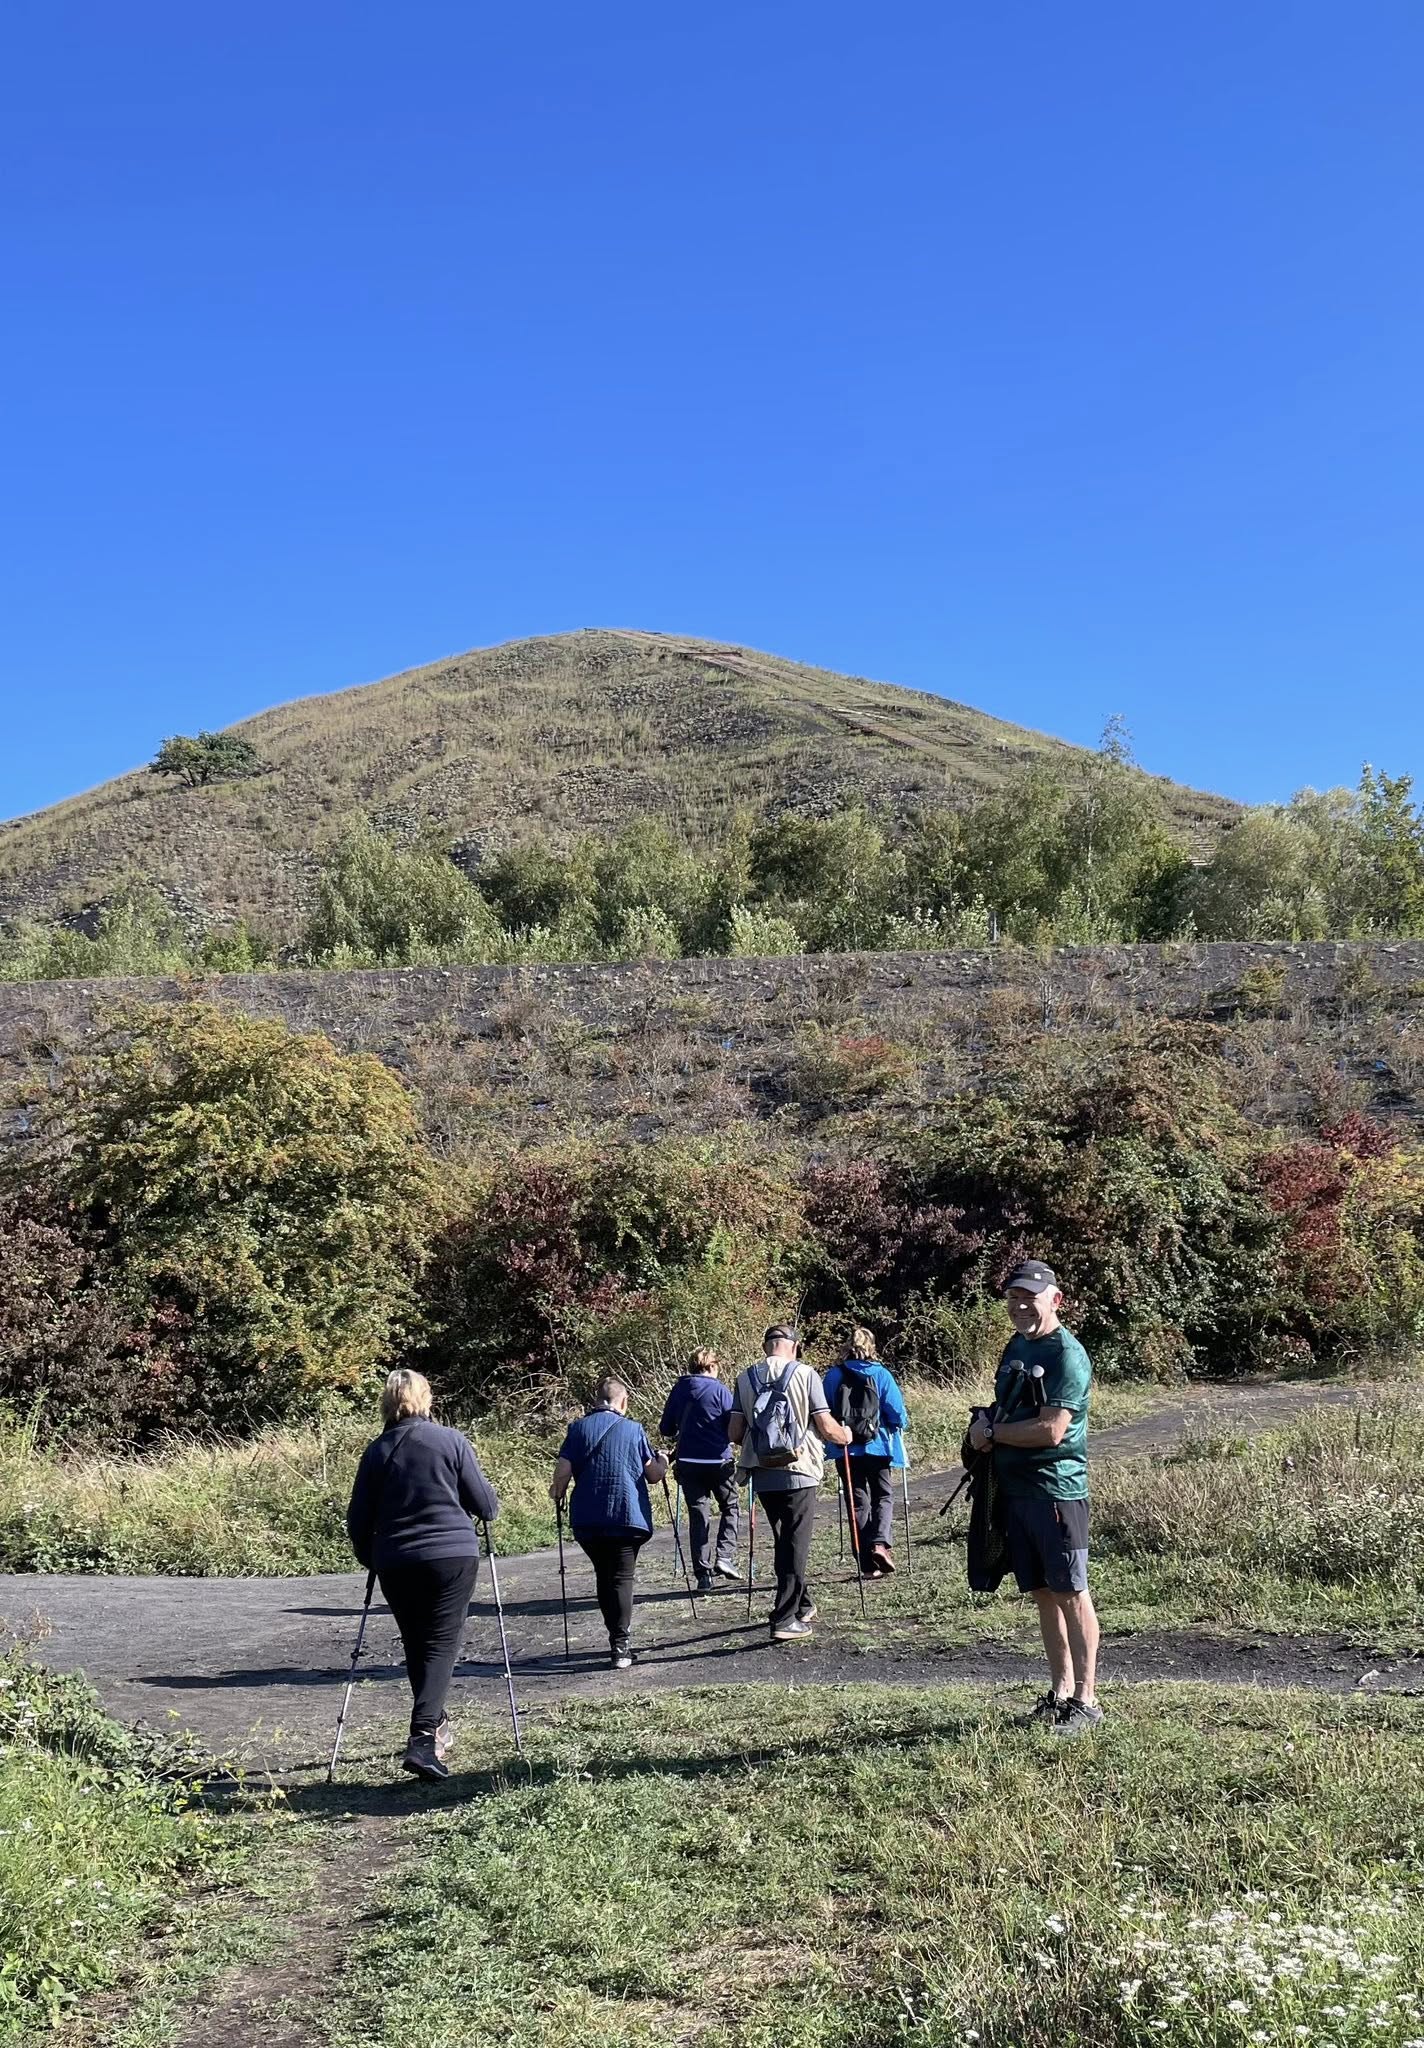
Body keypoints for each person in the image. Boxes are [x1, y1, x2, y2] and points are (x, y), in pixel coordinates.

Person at [967, 1259, 1102, 1738]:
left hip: (1056, 1492)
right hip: (1016, 1491)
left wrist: (993, 1433)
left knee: (1070, 1591)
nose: (1021, 1305)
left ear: (1055, 1300)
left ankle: (1087, 1701)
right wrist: (984, 1425)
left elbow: (1051, 1429)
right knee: (1043, 1593)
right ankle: (1061, 1692)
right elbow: (1008, 1406)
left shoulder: (1068, 1354)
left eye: (1031, 1297)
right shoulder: (1017, 1345)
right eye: (1013, 1298)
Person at [346, 1367, 499, 1782]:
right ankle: (422, 1739)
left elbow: (357, 1521)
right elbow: (485, 1506)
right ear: (426, 1398)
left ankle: (436, 1725)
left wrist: (373, 1559)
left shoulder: (376, 1451)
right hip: (450, 1554)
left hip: (395, 1560)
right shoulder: (451, 1441)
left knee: (417, 1645)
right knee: (440, 1646)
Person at [728, 1324, 852, 1644]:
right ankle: (784, 1618)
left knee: (786, 1539)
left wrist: (762, 1443)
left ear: (766, 1346)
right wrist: (845, 1436)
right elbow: (825, 1425)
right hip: (800, 1467)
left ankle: (803, 1605)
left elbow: (735, 1432)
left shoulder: (744, 1377)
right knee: (796, 1543)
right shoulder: (805, 1373)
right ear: (794, 1347)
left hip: (762, 1470)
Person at [550, 1376, 669, 1669]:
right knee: (621, 1578)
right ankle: (621, 1645)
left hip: (588, 1519)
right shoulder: (633, 1429)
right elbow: (653, 1475)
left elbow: (563, 1469)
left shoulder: (577, 1429)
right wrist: (664, 1461)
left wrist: (557, 1492)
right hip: (626, 1516)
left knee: (605, 1577)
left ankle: (616, 1639)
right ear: (624, 1401)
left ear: (595, 1400)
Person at [823, 1326, 910, 1576]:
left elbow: (824, 1410)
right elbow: (896, 1412)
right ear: (871, 1346)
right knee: (883, 1496)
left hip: (846, 1448)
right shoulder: (882, 1374)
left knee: (857, 1503)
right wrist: (900, 1424)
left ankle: (866, 1563)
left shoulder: (832, 1376)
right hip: (879, 1445)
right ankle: (880, 1544)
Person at [659, 1346, 739, 1594]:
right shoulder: (720, 1390)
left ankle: (703, 1575)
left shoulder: (679, 1389)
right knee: (731, 1507)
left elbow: (666, 1429)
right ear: (713, 1366)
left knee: (699, 1516)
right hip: (719, 1461)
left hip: (689, 1463)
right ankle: (724, 1556)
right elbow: (732, 1427)